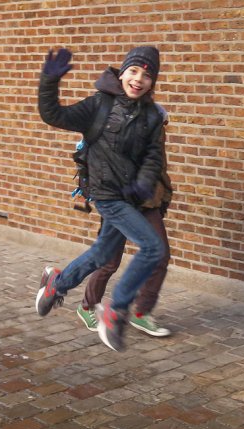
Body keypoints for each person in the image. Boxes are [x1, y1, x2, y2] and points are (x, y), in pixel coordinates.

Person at [35, 46, 166, 351]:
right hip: (107, 195)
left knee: (100, 255)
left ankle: (57, 283)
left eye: (147, 75)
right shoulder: (99, 105)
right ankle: (115, 311)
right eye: (134, 71)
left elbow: (153, 157)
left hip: (129, 197)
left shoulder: (151, 116)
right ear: (122, 73)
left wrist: (144, 184)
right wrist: (49, 81)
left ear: (152, 81)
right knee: (152, 248)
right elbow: (53, 114)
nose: (139, 79)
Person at [77, 109, 174, 339]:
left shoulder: (157, 120)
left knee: (160, 255)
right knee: (109, 262)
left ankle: (141, 313)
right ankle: (87, 306)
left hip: (147, 200)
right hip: (118, 201)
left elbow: (160, 166)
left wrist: (163, 195)